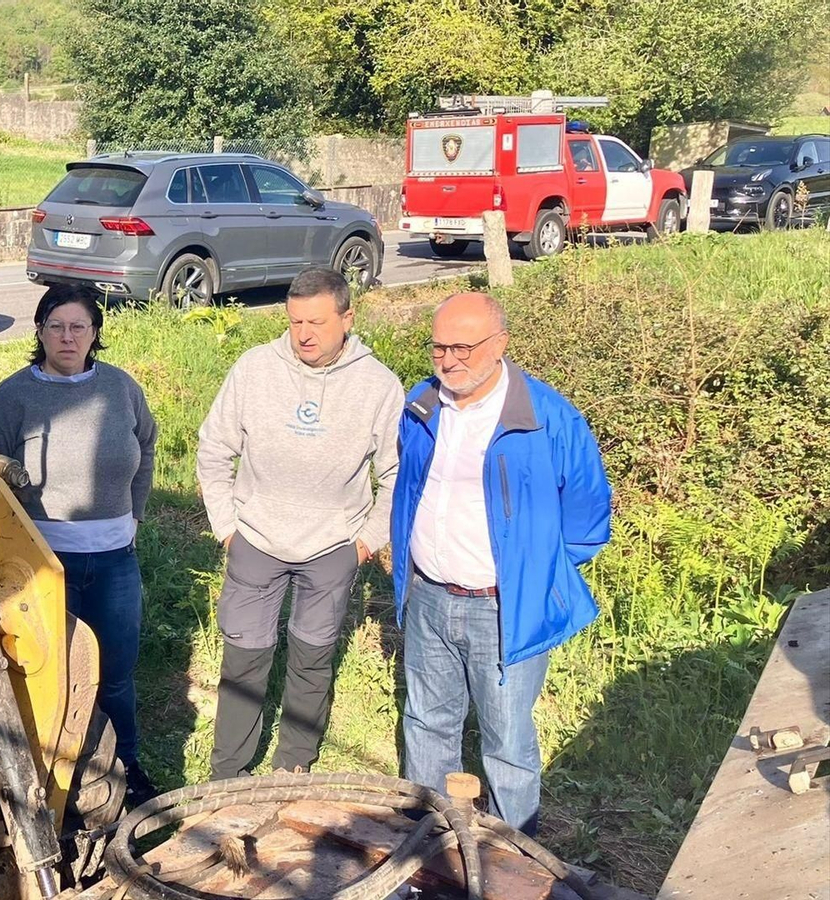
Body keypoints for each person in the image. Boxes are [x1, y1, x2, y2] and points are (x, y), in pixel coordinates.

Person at [391, 292, 611, 836]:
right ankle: (433, 846)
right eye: (439, 347)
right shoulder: (422, 405)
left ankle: (514, 860)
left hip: (502, 608)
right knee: (426, 724)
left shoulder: (546, 419)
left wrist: (532, 575)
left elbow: (587, 521)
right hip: (429, 596)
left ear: (500, 345)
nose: (449, 361)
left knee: (507, 741)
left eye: (463, 347)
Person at [197, 267, 404, 780]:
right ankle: (228, 774)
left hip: (333, 548)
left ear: (347, 318)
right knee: (244, 659)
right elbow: (214, 448)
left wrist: (364, 542)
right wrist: (228, 526)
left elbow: (398, 474)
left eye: (315, 322)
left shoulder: (378, 385)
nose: (304, 334)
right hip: (255, 541)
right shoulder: (254, 369)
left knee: (312, 660)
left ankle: (293, 769)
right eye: (294, 322)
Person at [0, 285, 160, 805]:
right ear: (39, 332)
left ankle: (128, 768)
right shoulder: (14, 397)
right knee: (54, 671)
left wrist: (137, 511)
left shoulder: (120, 388)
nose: (67, 336)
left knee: (116, 673)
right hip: (44, 568)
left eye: (79, 327)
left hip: (115, 560)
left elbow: (146, 442)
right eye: (56, 326)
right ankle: (58, 777)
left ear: (95, 334)